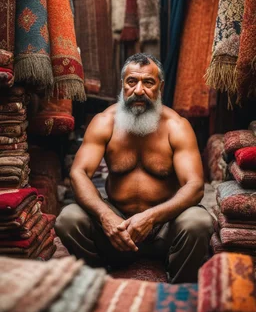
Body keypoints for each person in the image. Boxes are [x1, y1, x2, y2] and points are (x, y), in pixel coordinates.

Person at [55, 53, 213, 283]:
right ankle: (99, 278)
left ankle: (180, 288)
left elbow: (196, 186)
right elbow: (79, 173)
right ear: (122, 85)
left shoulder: (177, 126)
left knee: (199, 222)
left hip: (164, 228)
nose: (139, 90)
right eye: (132, 81)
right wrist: (106, 216)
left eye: (148, 82)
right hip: (116, 230)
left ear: (160, 86)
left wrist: (151, 217)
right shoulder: (104, 121)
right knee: (68, 219)